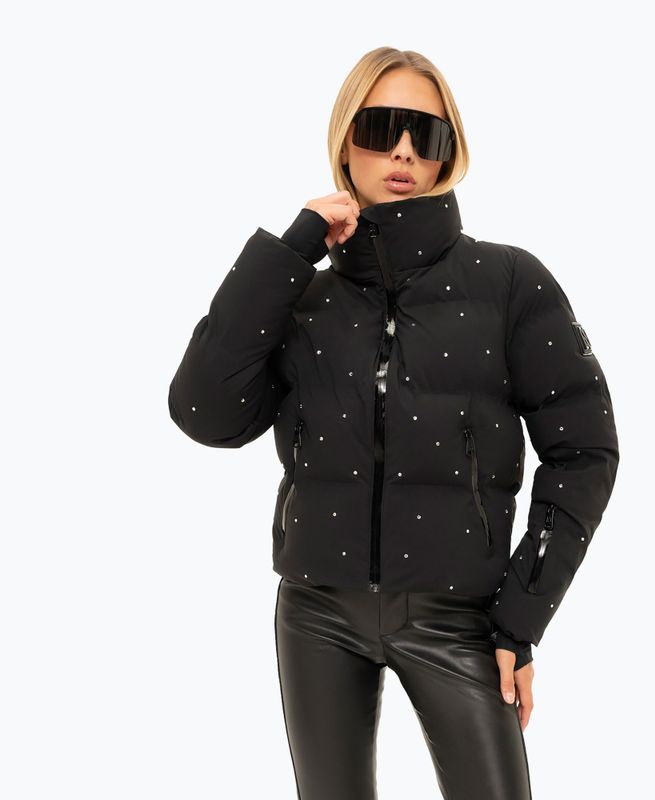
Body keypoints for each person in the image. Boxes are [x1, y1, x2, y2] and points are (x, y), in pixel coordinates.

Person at [168, 46, 620, 800]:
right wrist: (291, 250)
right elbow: (202, 413)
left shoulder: (509, 283)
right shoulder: (303, 298)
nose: (404, 150)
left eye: (426, 133)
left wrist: (521, 616)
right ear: (346, 141)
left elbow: (585, 451)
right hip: (315, 610)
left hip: (461, 620)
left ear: (449, 152)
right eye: (382, 128)